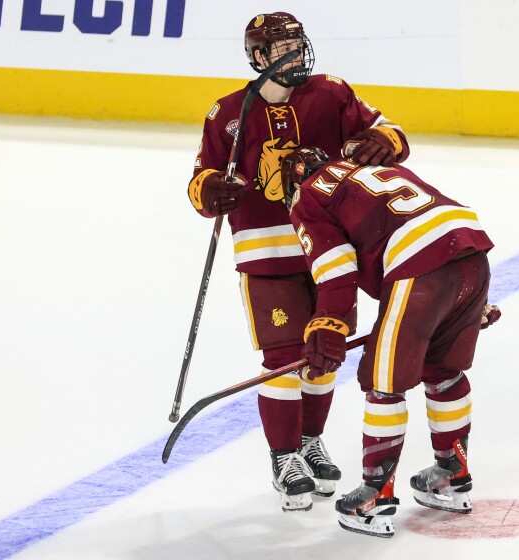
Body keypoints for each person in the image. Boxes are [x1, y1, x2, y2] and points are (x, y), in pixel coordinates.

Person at [186, 12, 411, 513]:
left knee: (324, 355)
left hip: (331, 251)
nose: (295, 54)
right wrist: (211, 192)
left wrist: (384, 142)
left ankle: (311, 439)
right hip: (267, 255)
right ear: (259, 57)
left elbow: (392, 131)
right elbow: (200, 180)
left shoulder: (331, 93)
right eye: (283, 47)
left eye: (297, 44)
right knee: (284, 360)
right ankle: (284, 455)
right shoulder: (227, 113)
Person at [279, 146, 501, 538]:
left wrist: (328, 326)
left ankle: (373, 499)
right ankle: (452, 473)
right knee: (443, 371)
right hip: (471, 251)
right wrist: (465, 302)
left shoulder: (308, 196)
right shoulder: (369, 168)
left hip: (417, 268)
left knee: (384, 385)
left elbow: (336, 269)